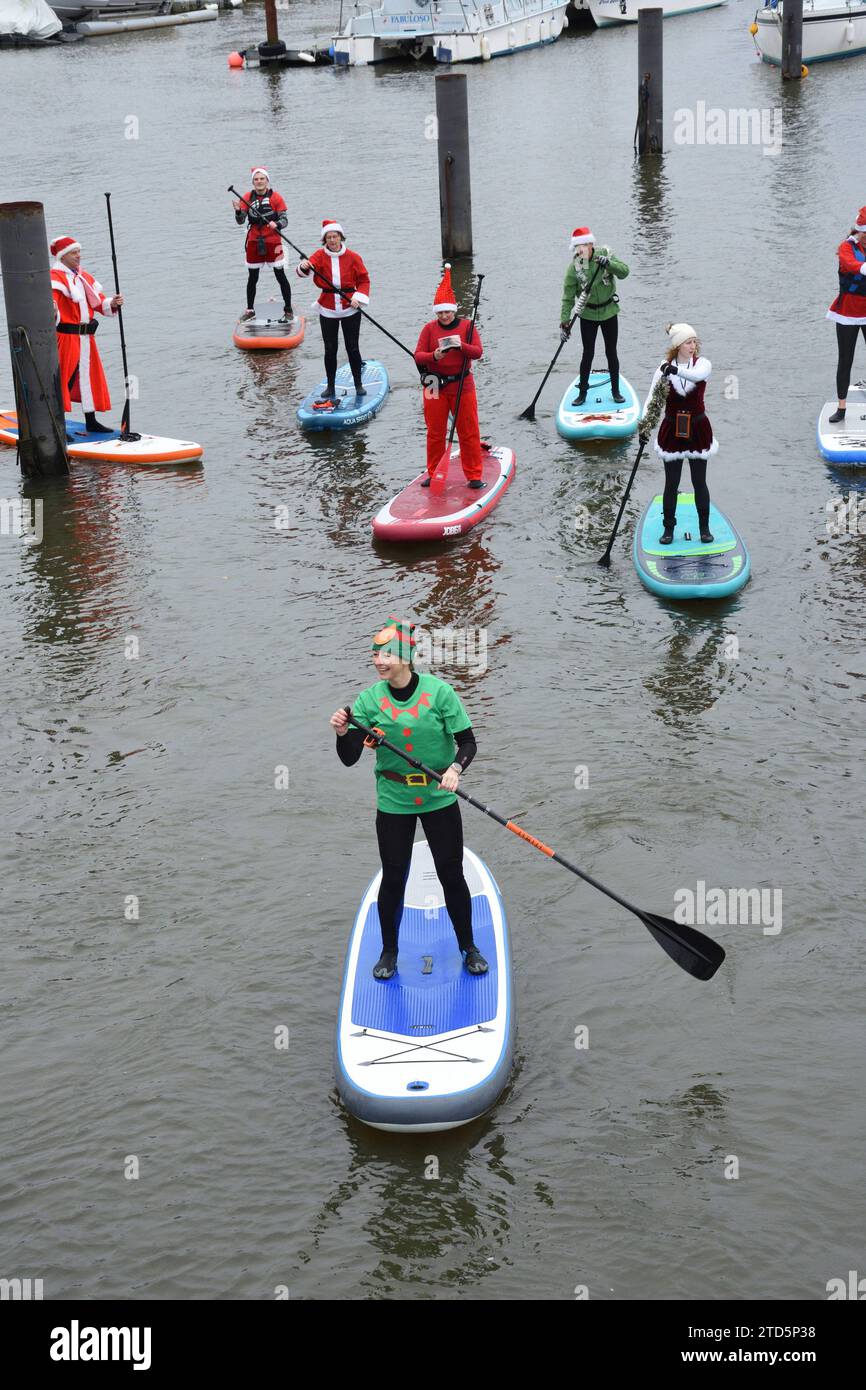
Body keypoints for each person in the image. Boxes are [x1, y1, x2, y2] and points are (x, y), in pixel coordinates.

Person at [330, 618, 488, 981]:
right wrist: (343, 733)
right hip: (394, 800)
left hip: (438, 796)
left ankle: (468, 947)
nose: (379, 660)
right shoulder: (368, 700)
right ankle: (389, 952)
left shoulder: (439, 693)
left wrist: (454, 770)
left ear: (405, 657)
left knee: (451, 873)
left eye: (386, 653)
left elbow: (468, 742)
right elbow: (349, 756)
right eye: (375, 653)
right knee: (395, 875)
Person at [643, 323, 719, 545]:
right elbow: (651, 400)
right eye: (688, 342)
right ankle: (668, 530)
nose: (693, 346)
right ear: (678, 346)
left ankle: (704, 529)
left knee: (699, 481)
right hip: (672, 429)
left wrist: (674, 370)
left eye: (695, 341)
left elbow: (696, 376)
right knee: (671, 483)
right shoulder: (662, 370)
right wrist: (644, 426)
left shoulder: (702, 364)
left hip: (698, 428)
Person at [414, 264, 484, 489]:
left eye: (448, 312)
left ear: (454, 310)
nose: (444, 316)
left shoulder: (467, 326)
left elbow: (478, 352)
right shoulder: (428, 329)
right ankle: (433, 472)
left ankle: (474, 475)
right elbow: (418, 356)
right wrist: (434, 355)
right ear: (436, 312)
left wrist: (460, 345)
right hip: (434, 384)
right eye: (440, 312)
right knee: (435, 432)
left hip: (462, 382)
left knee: (468, 431)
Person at [49, 235, 123, 435]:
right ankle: (57, 425)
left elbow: (98, 303)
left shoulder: (82, 277)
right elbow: (51, 305)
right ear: (63, 256)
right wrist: (52, 308)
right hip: (66, 338)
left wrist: (112, 303)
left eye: (79, 252)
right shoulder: (55, 278)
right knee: (65, 378)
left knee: (87, 378)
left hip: (86, 338)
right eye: (74, 253)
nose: (78, 256)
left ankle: (91, 421)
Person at [297, 219, 370, 403]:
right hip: (328, 307)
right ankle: (330, 386)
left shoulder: (353, 257)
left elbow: (364, 280)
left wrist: (359, 298)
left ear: (340, 237)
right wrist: (304, 266)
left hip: (350, 306)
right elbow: (304, 271)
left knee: (352, 347)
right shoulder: (319, 256)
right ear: (325, 240)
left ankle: (358, 384)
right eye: (328, 237)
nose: (332, 240)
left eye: (335, 237)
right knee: (330, 349)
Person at [560, 226, 630, 406]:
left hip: (608, 312)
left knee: (611, 352)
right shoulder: (575, 267)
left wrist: (609, 264)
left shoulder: (605, 254)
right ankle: (582, 393)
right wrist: (564, 322)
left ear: (591, 244)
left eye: (583, 246)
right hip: (588, 314)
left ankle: (616, 391)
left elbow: (624, 272)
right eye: (577, 247)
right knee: (587, 353)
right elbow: (568, 297)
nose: (580, 250)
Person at [233, 167, 293, 323]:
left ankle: (288, 309)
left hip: (273, 241)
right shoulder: (246, 197)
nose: (259, 182)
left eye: (262, 179)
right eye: (256, 179)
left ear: (267, 180)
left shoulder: (276, 198)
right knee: (252, 277)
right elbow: (240, 221)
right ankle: (250, 310)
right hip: (254, 241)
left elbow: (285, 220)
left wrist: (277, 224)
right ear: (253, 182)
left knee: (280, 275)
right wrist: (239, 211)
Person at [826, 205, 866, 423]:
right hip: (847, 312)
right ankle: (842, 408)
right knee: (845, 359)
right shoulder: (846, 248)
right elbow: (851, 265)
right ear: (858, 232)